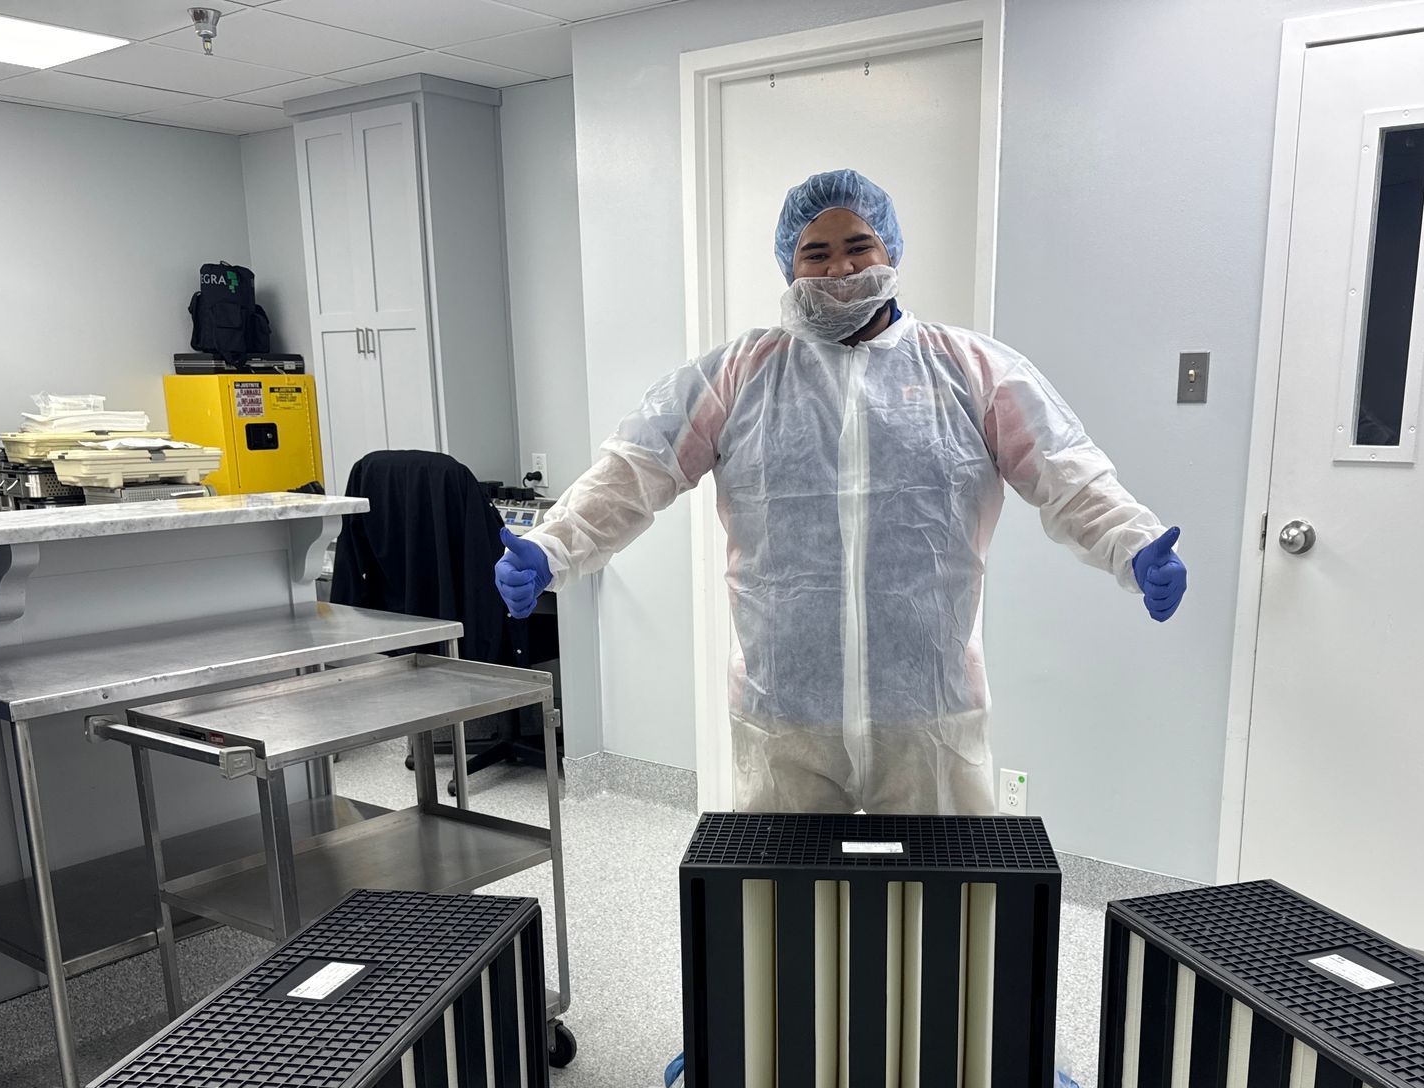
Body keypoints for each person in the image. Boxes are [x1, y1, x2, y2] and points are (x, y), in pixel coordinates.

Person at [497, 169, 1186, 815]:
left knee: (937, 921)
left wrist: (1133, 545)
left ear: (891, 249)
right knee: (791, 924)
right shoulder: (740, 375)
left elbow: (1068, 470)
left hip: (929, 713)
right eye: (815, 253)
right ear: (788, 266)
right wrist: (551, 545)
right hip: (785, 716)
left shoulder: (971, 369)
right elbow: (635, 468)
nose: (840, 269)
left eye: (859, 246)